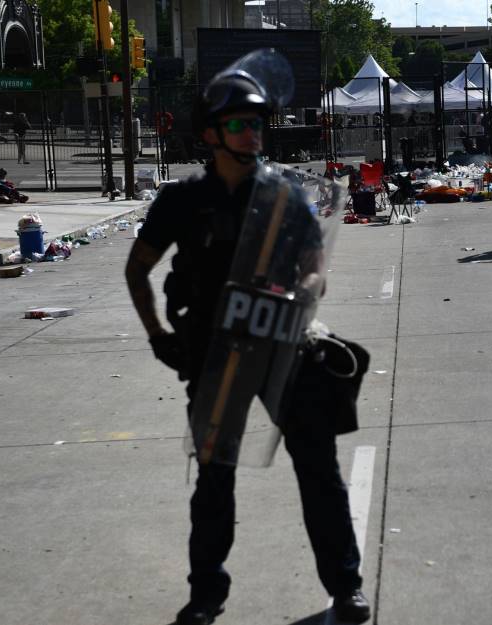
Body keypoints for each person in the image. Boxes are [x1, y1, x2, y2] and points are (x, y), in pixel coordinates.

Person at [124, 58, 371, 625]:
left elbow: (316, 265)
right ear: (211, 133)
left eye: (258, 123)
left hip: (284, 346)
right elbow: (137, 269)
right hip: (218, 355)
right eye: (238, 124)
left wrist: (303, 290)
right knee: (214, 481)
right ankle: (205, 595)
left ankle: (346, 586)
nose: (252, 133)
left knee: (319, 470)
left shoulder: (285, 194)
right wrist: (158, 335)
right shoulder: (183, 201)